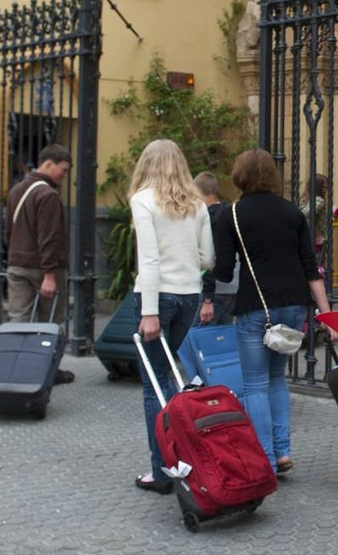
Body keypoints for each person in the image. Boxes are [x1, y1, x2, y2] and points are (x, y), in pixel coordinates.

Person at [213, 149, 336, 475]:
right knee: (276, 379)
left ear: (240, 176)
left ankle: (265, 458)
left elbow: (224, 272)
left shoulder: (232, 215)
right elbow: (312, 269)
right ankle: (283, 452)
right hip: (294, 308)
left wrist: (203, 270)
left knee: (255, 385)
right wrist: (327, 316)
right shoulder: (292, 213)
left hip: (256, 308)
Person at [129, 139, 214, 495]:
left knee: (155, 385)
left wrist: (149, 312)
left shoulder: (143, 200)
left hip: (157, 296)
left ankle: (163, 470)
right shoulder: (197, 203)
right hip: (188, 296)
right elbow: (208, 258)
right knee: (168, 378)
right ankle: (181, 457)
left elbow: (148, 259)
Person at [2, 143, 75, 385]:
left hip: (16, 264)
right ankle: (47, 371)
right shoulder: (48, 195)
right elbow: (49, 238)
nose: (64, 176)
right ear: (48, 164)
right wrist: (50, 274)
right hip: (42, 269)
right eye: (63, 170)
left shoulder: (16, 190)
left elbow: (7, 232)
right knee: (49, 323)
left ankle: (12, 369)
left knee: (18, 320)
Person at [193, 171, 237, 326]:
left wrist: (207, 298)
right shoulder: (230, 213)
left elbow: (210, 258)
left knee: (197, 336)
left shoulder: (209, 218)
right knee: (221, 336)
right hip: (233, 286)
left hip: (214, 288)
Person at [298, 173, 332, 276]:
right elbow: (306, 215)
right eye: (325, 187)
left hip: (304, 239)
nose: (326, 190)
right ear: (318, 187)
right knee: (317, 268)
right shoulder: (319, 200)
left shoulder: (303, 200)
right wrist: (318, 236)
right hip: (316, 241)